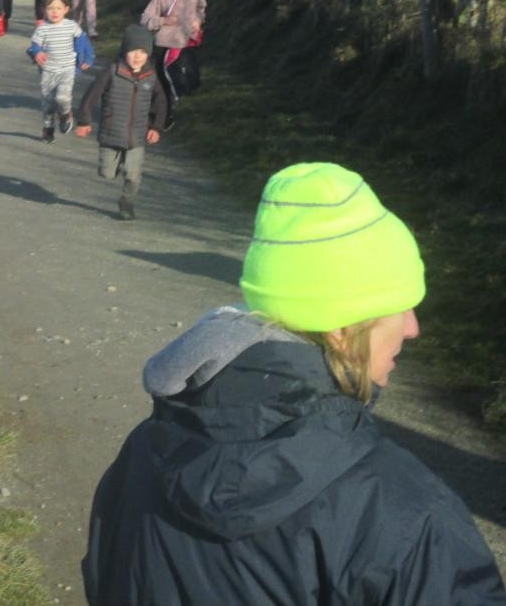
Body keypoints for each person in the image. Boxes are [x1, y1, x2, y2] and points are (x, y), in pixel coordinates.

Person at [82, 162, 506, 605]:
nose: (413, 327)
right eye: (400, 307)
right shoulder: (405, 515)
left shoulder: (148, 450)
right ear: (341, 328)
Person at [74, 24, 166, 219]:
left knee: (134, 175)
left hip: (137, 136)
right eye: (133, 51)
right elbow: (91, 96)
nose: (137, 56)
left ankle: (127, 204)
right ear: (125, 51)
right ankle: (114, 166)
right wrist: (84, 121)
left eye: (143, 52)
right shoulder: (112, 72)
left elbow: (161, 102)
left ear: (148, 54)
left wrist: (156, 127)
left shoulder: (151, 77)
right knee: (107, 173)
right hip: (111, 132)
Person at [139, 0, 206, 129]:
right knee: (163, 83)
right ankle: (164, 116)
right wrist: (162, 21)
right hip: (165, 44)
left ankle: (171, 106)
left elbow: (201, 8)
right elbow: (145, 18)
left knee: (188, 80)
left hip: (187, 42)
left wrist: (198, 20)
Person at [26, 0, 94, 142]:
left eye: (58, 8)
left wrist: (88, 59)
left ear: (66, 9)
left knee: (62, 97)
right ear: (44, 11)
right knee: (48, 104)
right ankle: (48, 128)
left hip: (67, 69)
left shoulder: (71, 26)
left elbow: (84, 41)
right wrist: (37, 53)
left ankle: (65, 116)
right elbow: (34, 46)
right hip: (48, 71)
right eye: (50, 8)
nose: (55, 12)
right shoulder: (42, 28)